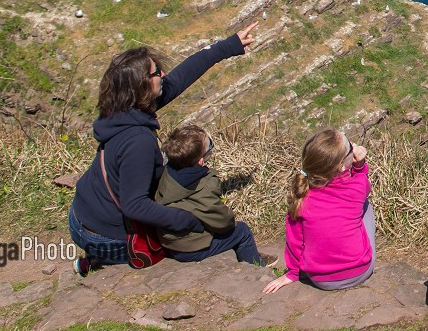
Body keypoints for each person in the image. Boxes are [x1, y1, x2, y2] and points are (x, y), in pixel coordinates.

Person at [68, 22, 258, 276]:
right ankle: (106, 257)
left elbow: (179, 79)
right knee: (191, 238)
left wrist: (228, 46)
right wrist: (186, 221)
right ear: (141, 86)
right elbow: (134, 206)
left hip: (85, 214)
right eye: (157, 72)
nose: (163, 75)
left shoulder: (122, 110)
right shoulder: (138, 141)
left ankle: (95, 259)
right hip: (104, 235)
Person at [263, 128, 376, 294]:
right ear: (341, 166)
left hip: (319, 279)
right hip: (359, 271)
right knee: (365, 206)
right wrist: (360, 166)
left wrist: (293, 273)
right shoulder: (357, 187)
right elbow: (363, 184)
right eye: (350, 148)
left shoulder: (302, 197)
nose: (353, 146)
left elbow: (295, 240)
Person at [154, 124, 263, 265]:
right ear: (200, 161)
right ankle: (256, 266)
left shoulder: (167, 172)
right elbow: (222, 221)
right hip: (190, 248)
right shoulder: (203, 185)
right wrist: (228, 219)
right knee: (242, 231)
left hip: (170, 241)